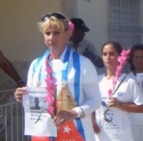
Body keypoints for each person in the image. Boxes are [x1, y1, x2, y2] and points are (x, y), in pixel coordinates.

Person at [14, 12, 101, 141]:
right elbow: (33, 100)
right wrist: (22, 97)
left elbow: (95, 100)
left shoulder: (83, 64)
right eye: (47, 33)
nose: (51, 38)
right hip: (42, 133)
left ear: (67, 34)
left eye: (56, 33)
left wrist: (73, 113)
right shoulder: (36, 65)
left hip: (75, 133)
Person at [91, 41, 143, 141]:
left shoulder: (129, 82)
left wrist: (120, 105)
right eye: (104, 54)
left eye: (112, 54)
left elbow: (142, 108)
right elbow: (91, 104)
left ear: (119, 57)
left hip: (122, 136)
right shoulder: (96, 81)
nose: (107, 57)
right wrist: (92, 122)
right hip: (101, 135)